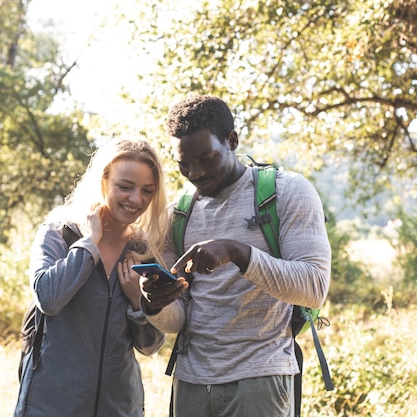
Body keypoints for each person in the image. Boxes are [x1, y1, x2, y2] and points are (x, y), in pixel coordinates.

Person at [140, 95, 331, 417]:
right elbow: (178, 320)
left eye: (207, 158)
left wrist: (238, 253)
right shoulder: (178, 215)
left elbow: (313, 288)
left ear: (232, 140)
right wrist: (155, 304)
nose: (195, 173)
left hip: (261, 378)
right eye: (183, 164)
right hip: (190, 380)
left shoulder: (288, 193)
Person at [14, 138, 169, 417]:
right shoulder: (60, 231)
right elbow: (47, 298)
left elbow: (151, 345)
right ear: (103, 180)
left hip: (119, 408)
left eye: (147, 190)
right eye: (125, 187)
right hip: (51, 406)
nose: (137, 200)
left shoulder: (144, 250)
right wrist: (89, 245)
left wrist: (137, 301)